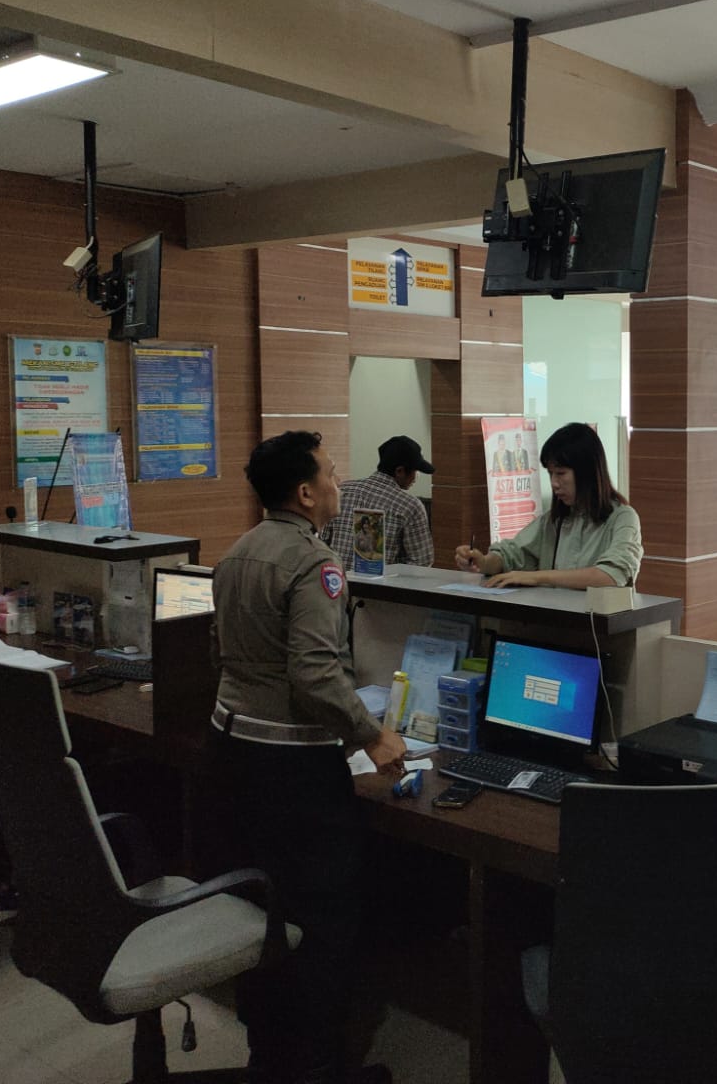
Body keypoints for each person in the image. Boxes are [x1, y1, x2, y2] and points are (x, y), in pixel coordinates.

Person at [210, 430, 405, 1084]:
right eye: (329, 472)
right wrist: (372, 735)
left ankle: (268, 1051)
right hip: (292, 770)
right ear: (304, 492)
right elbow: (316, 675)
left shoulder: (237, 552)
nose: (338, 481)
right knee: (324, 920)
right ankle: (319, 1064)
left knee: (261, 912)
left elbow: (221, 650)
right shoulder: (314, 563)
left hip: (232, 754)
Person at [454, 422, 642, 589]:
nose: (554, 483)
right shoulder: (553, 520)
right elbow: (513, 554)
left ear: (587, 472)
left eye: (560, 473)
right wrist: (483, 562)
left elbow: (609, 576)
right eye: (550, 473)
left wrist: (537, 577)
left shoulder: (623, 518)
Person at [321, 435, 435, 568]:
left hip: (335, 579)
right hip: (381, 582)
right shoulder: (410, 506)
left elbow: (322, 543)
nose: (415, 477)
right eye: (415, 471)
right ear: (399, 471)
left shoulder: (341, 491)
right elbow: (422, 561)